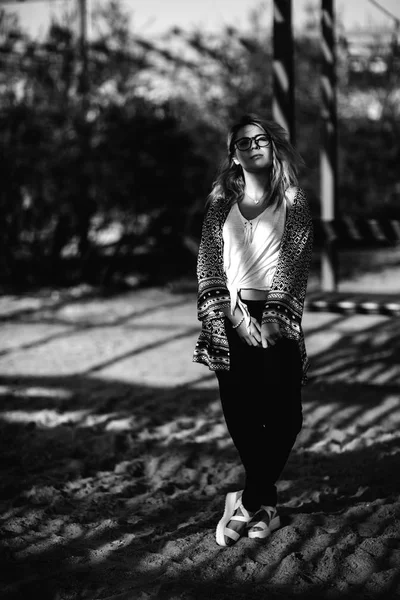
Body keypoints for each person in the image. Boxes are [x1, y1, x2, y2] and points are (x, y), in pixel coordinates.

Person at [192, 113, 313, 547]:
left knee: (286, 416)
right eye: (244, 142)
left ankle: (246, 501)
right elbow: (207, 259)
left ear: (272, 146)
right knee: (241, 414)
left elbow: (296, 256)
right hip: (229, 316)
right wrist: (234, 317)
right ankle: (265, 507)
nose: (254, 146)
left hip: (277, 315)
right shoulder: (220, 203)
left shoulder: (293, 198)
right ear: (234, 155)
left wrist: (275, 316)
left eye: (260, 139)